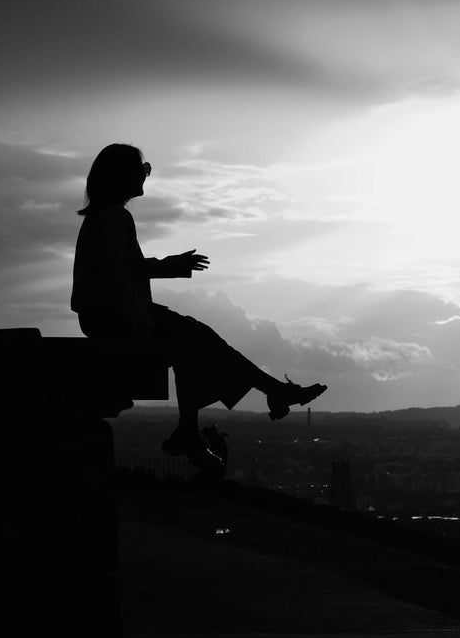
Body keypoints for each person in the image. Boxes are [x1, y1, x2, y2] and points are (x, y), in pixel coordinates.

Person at [70, 143, 326, 474]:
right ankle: (271, 394)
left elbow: (124, 268)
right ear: (122, 176)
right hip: (114, 317)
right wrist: (142, 323)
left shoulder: (106, 216)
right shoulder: (115, 217)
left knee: (193, 340)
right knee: (197, 338)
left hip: (105, 316)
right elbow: (119, 277)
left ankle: (200, 425)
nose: (146, 175)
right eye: (142, 169)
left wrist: (169, 265)